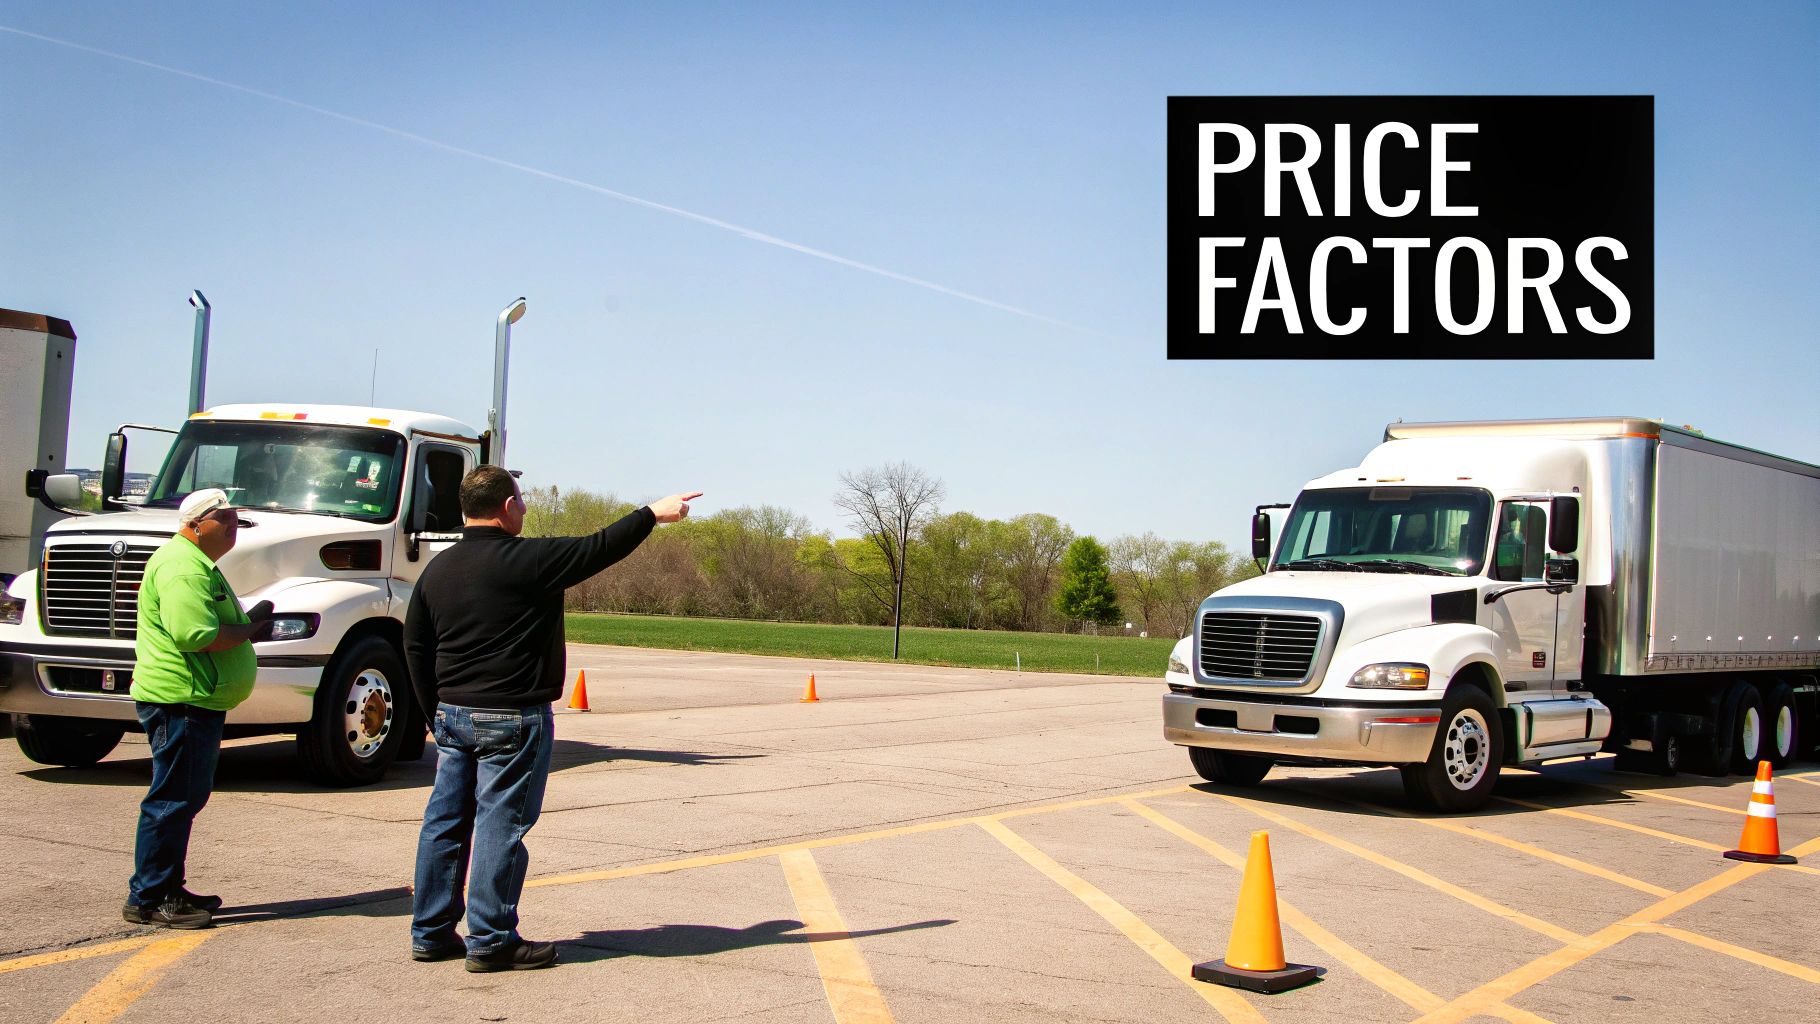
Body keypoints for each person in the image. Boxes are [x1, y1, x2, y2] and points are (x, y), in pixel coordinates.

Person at [406, 465, 700, 972]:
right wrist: (652, 514)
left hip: (452, 714)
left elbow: (415, 644)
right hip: (512, 717)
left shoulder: (438, 569)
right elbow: (599, 547)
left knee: (445, 822)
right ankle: (491, 939)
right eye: (520, 500)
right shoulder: (530, 560)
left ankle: (430, 933)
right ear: (506, 507)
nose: (524, 508)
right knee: (500, 824)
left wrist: (434, 713)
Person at [125, 487, 273, 929]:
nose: (233, 527)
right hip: (182, 700)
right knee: (173, 800)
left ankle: (164, 886)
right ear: (194, 525)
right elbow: (196, 635)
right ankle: (151, 897)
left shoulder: (194, 562)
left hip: (192, 700)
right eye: (224, 519)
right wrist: (250, 629)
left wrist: (247, 625)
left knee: (182, 796)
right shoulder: (184, 568)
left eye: (236, 520)